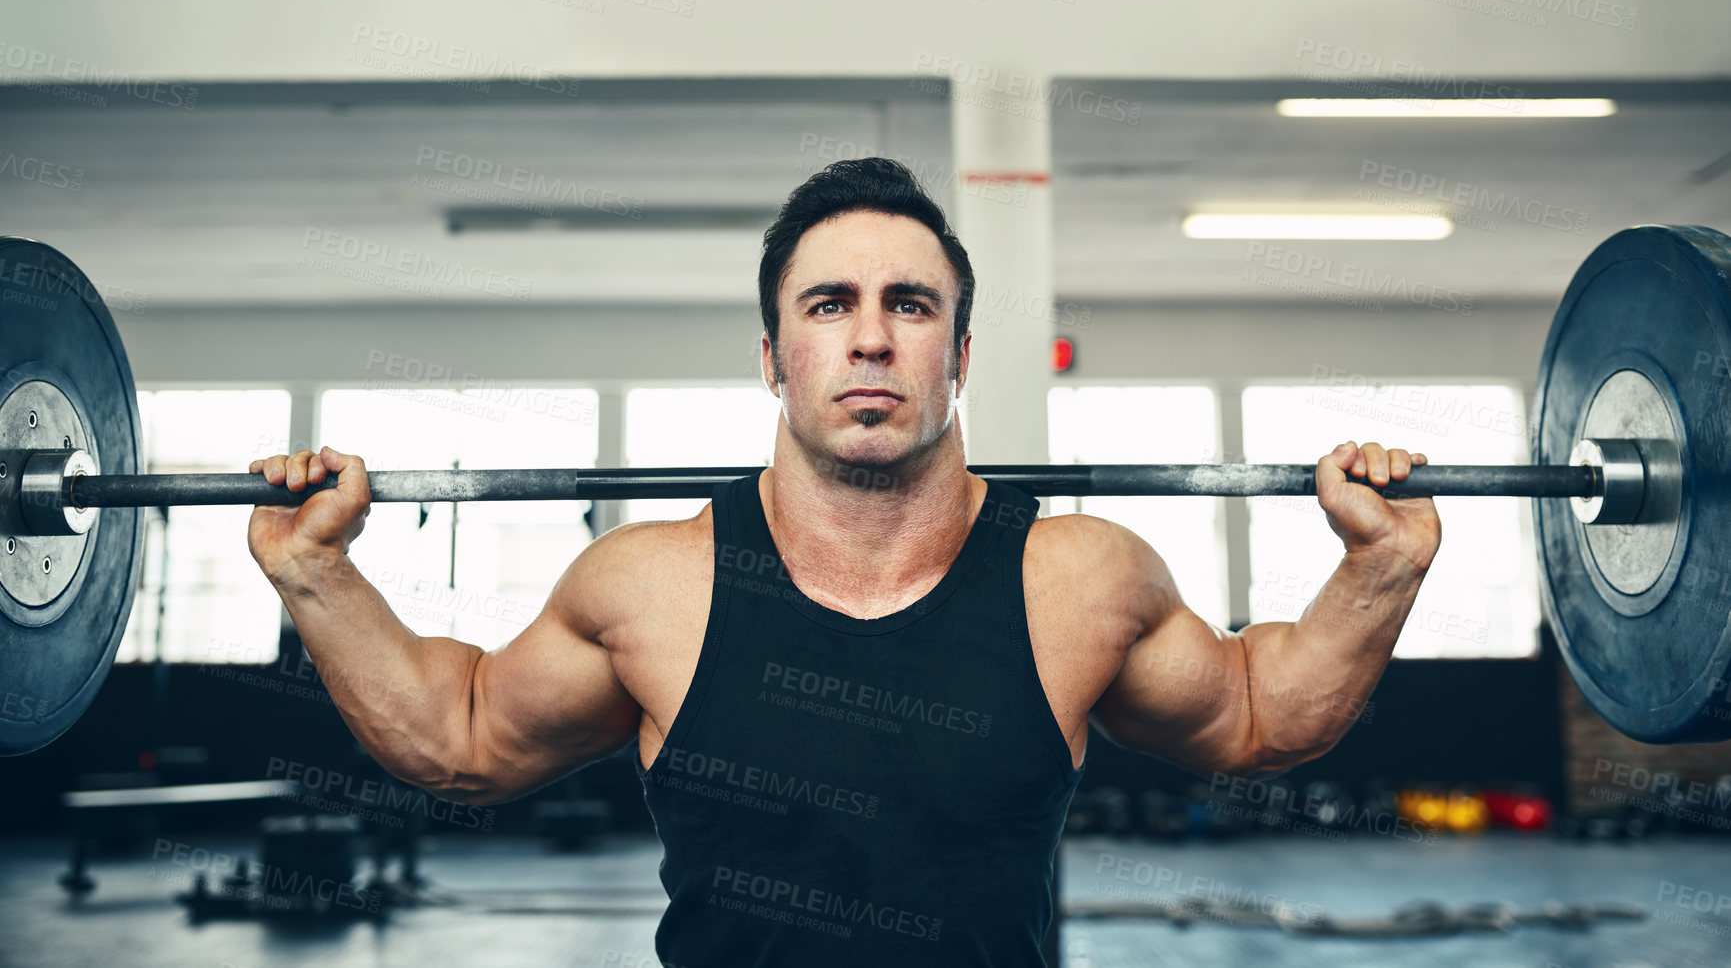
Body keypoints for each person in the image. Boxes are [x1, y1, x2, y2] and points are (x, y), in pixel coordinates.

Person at [248, 157, 1442, 966]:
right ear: (773, 357)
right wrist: (318, 573)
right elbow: (462, 742)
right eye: (829, 305)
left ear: (959, 353)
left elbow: (1253, 718)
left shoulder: (1080, 579)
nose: (870, 335)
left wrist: (1378, 570)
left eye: (909, 304)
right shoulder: (652, 587)